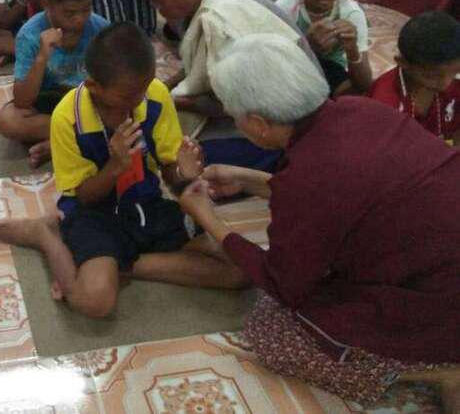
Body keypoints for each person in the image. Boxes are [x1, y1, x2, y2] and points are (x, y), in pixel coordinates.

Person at [177, 34, 460, 408]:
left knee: (271, 331)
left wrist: (208, 217)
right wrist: (251, 179)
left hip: (441, 304)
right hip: (439, 258)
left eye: (234, 116)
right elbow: (342, 196)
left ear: (259, 124)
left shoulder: (308, 176)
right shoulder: (360, 108)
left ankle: (435, 372)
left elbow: (284, 282)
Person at [0, 23, 247, 319]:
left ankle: (126, 264)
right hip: (94, 214)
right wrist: (115, 167)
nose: (138, 100)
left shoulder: (154, 95)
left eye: (145, 87)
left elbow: (170, 174)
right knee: (94, 302)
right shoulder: (67, 116)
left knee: (239, 269)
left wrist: (184, 172)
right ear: (93, 87)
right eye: (127, 96)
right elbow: (83, 197)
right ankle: (46, 234)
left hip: (146, 205)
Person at [130, 0, 309, 170]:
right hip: (269, 108)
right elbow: (200, 65)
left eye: (158, 1)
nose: (157, 9)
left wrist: (171, 100)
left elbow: (232, 107)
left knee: (172, 157)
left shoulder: (220, 20)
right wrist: (163, 87)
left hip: (284, 127)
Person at [0, 0, 109, 167]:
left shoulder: (101, 29)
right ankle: (80, 138)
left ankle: (59, 143)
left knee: (127, 106)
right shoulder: (30, 34)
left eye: (86, 9)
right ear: (47, 5)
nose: (80, 19)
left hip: (88, 103)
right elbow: (22, 101)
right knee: (7, 121)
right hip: (49, 105)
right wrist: (42, 57)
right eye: (69, 13)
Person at [276, 0, 371, 95]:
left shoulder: (351, 13)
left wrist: (352, 50)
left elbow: (364, 85)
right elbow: (273, 58)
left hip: (331, 71)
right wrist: (307, 45)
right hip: (290, 67)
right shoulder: (286, 7)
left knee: (353, 97)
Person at [369, 11, 460, 145]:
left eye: (456, 72)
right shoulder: (385, 105)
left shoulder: (453, 80)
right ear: (402, 63)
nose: (445, 84)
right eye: (432, 76)